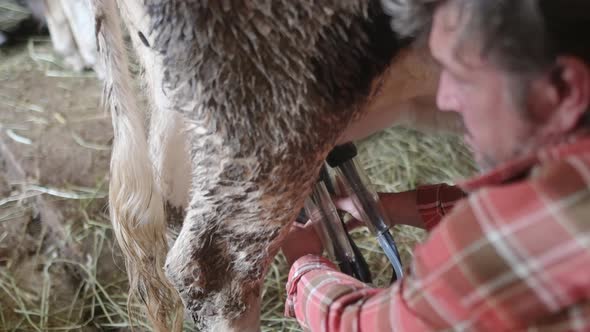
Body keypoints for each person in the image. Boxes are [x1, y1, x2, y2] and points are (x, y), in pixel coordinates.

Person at [281, 0, 590, 331]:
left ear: (563, 89)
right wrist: (393, 207)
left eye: (462, 76)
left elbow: (362, 326)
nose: (445, 98)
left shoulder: (519, 225)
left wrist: (303, 263)